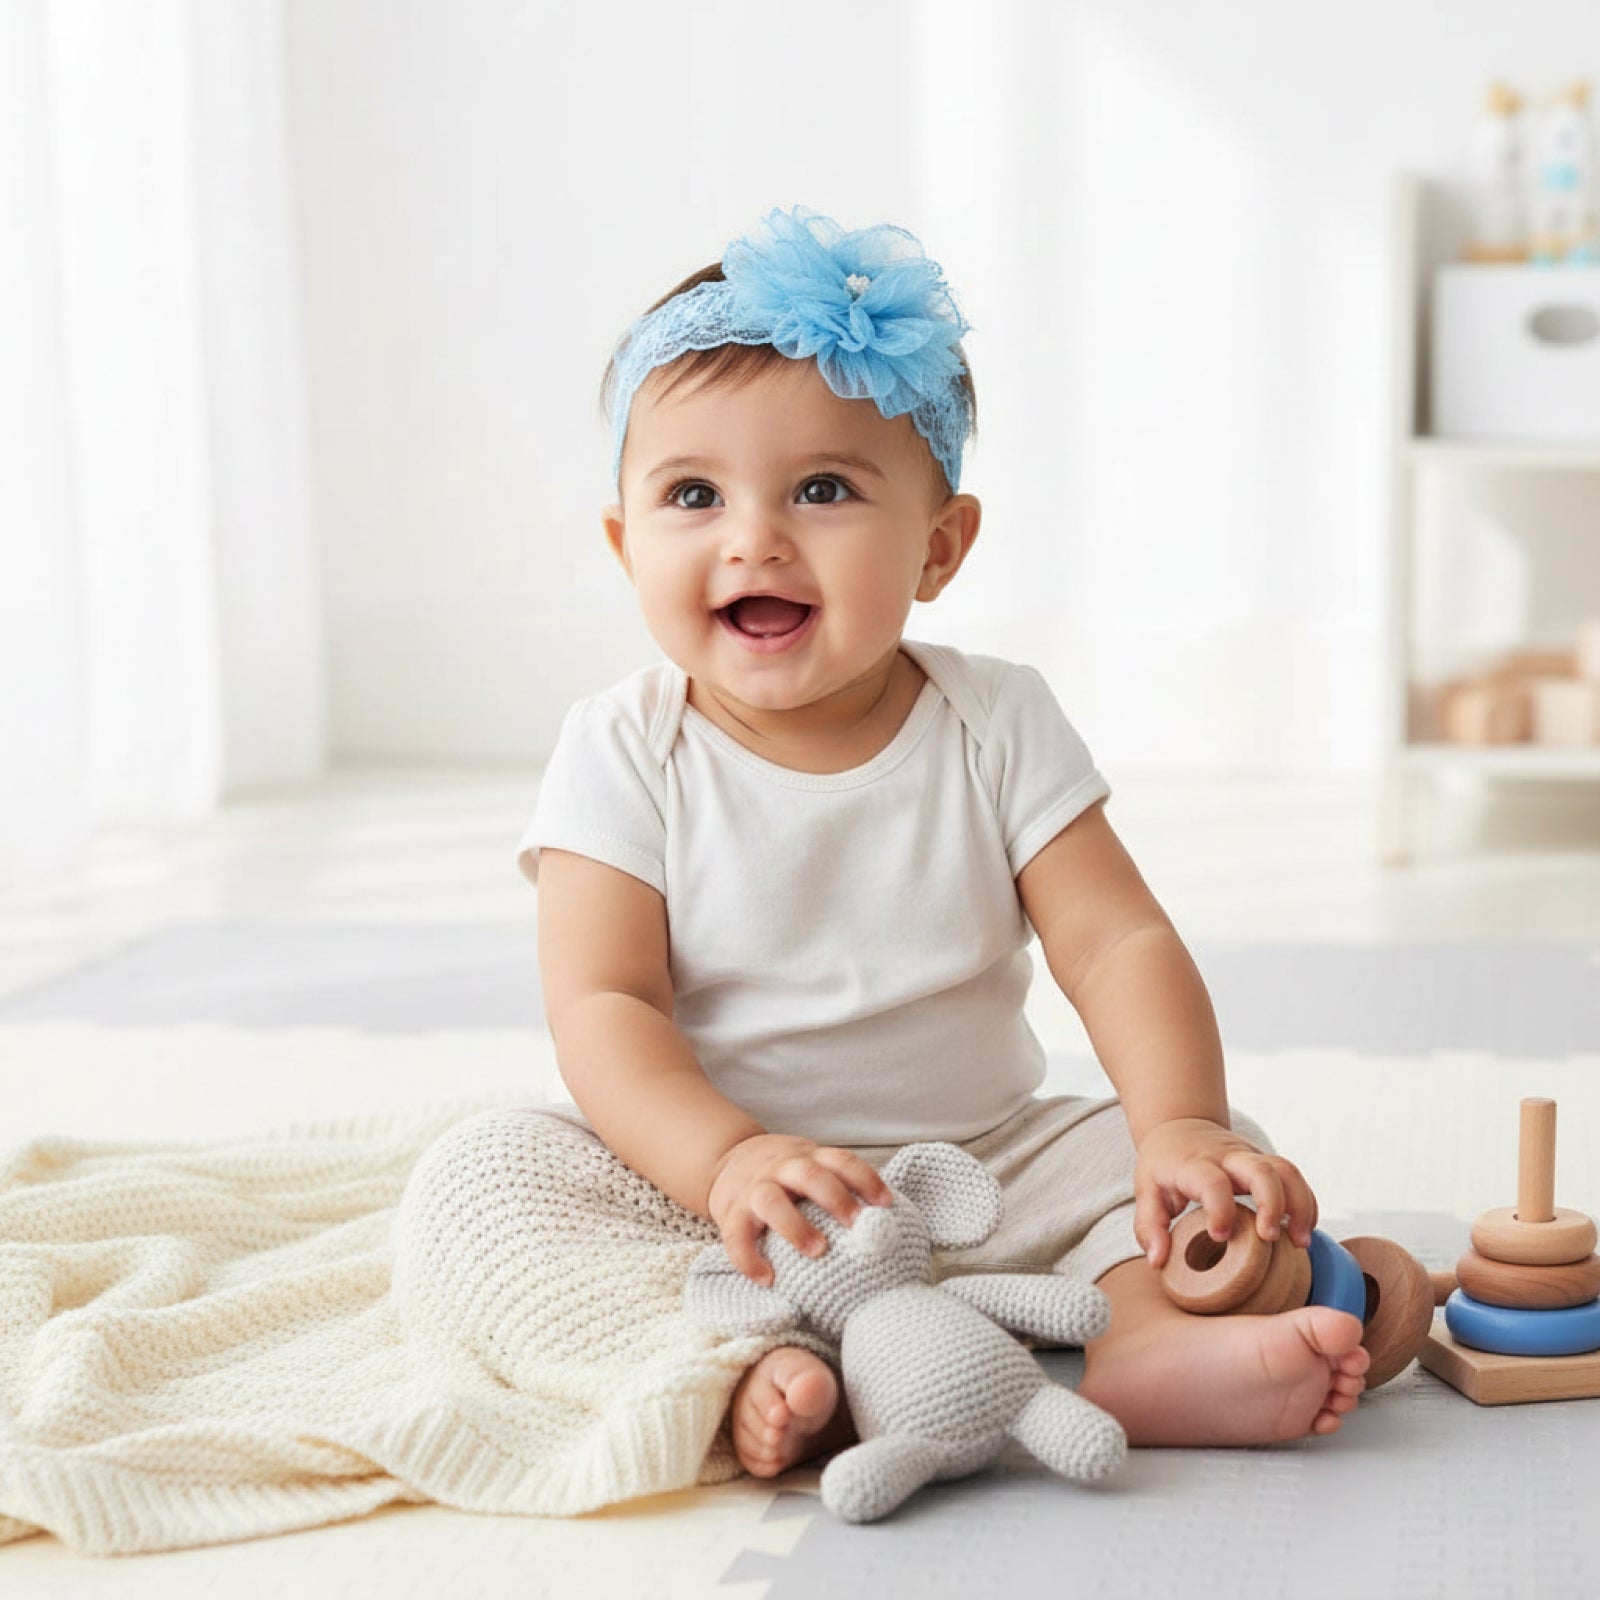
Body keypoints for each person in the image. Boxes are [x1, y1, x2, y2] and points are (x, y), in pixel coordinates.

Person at [520, 205, 1368, 1481]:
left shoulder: (993, 719)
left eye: (822, 489)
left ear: (938, 546)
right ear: (624, 540)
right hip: (726, 1195)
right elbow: (602, 1003)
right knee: (494, 1179)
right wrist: (725, 1155)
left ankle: (1141, 1344)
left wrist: (1178, 1127)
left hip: (984, 1171)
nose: (753, 534)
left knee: (1194, 1161)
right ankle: (753, 1370)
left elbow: (1113, 936)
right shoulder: (621, 748)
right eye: (692, 494)